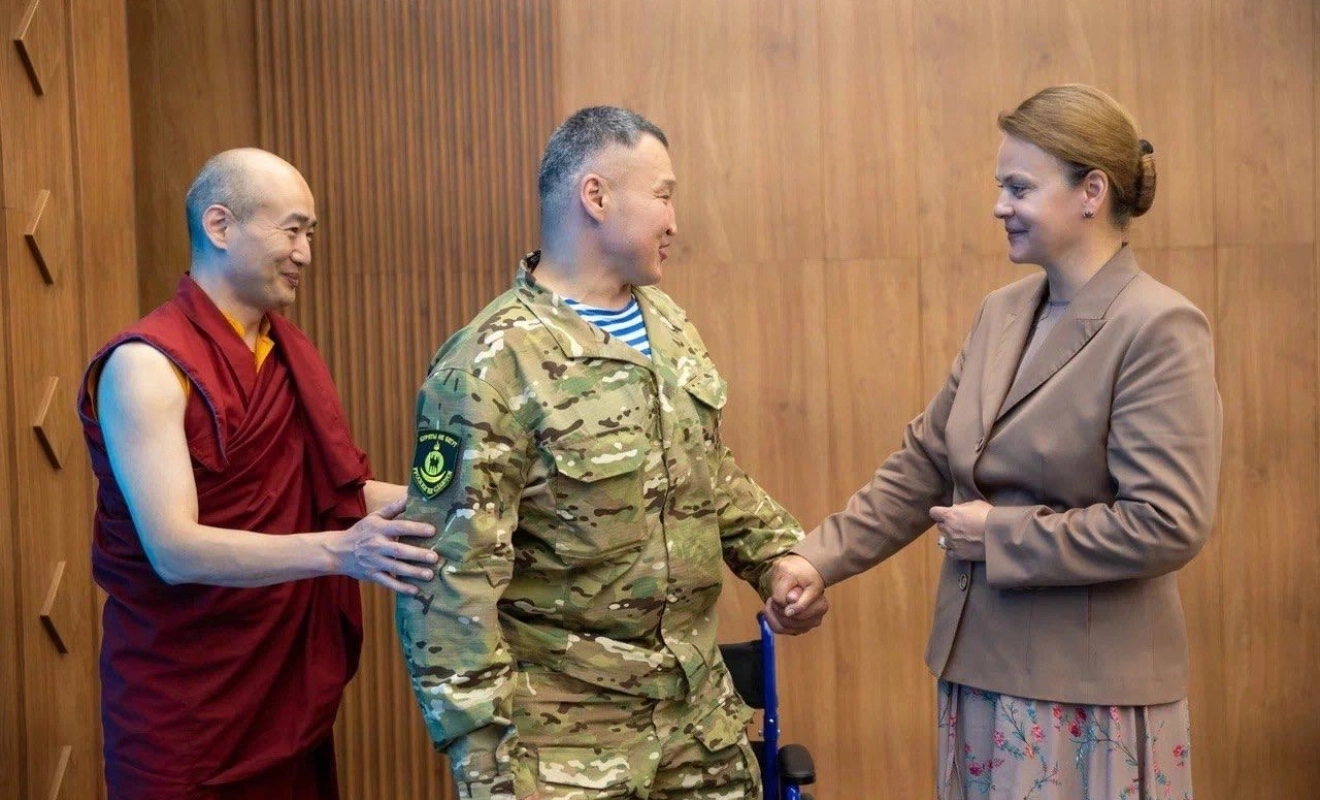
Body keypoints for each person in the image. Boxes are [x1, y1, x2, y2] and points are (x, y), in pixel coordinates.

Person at [772, 85, 1222, 798]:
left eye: (1018, 187)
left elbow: (1169, 523)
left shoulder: (1159, 327)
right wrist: (816, 558)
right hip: (977, 674)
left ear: (1091, 192)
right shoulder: (1002, 313)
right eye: (1000, 187)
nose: (998, 207)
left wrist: (1001, 535)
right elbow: (926, 461)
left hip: (1086, 699)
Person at [396, 106, 829, 800]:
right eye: (663, 195)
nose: (674, 221)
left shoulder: (668, 324)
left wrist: (778, 557)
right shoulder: (489, 365)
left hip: (701, 730)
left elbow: (709, 472)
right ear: (596, 196)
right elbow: (448, 585)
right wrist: (486, 767)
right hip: (565, 748)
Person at [78, 148, 440, 799]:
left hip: (281, 697)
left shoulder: (285, 353)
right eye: (292, 230)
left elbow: (337, 494)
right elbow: (174, 550)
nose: (305, 253)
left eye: (311, 234)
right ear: (220, 225)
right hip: (185, 712)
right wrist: (341, 553)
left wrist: (467, 502)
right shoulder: (146, 366)